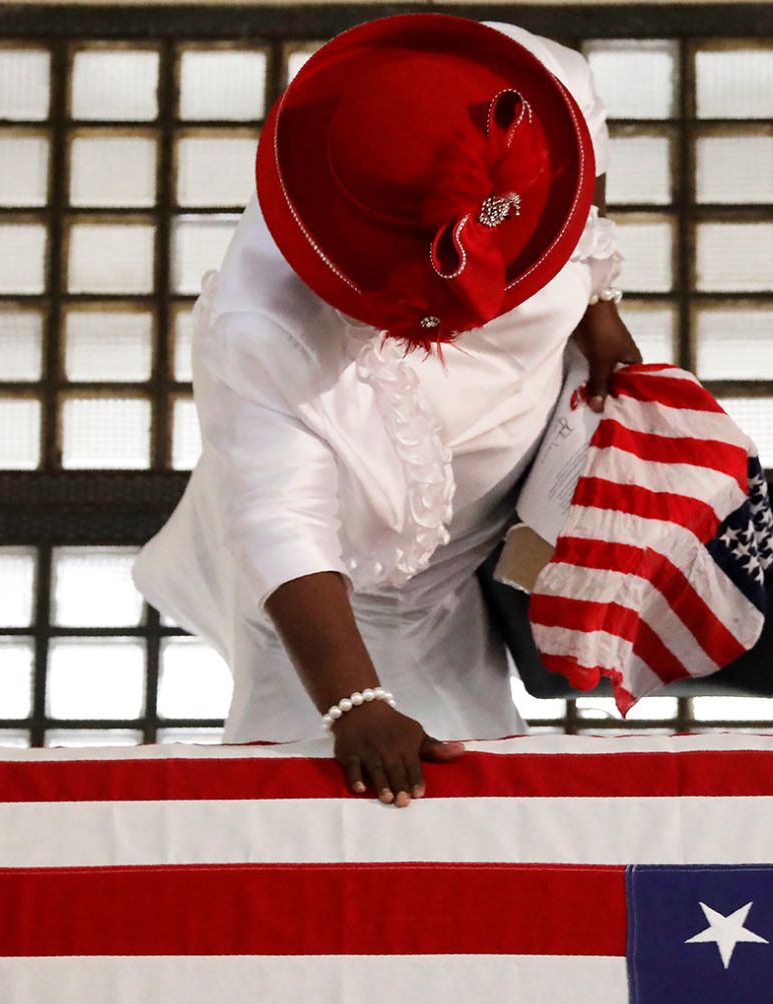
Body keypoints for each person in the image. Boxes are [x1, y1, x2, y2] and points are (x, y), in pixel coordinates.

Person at [133, 14, 641, 806]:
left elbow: (588, 175)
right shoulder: (263, 323)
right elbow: (281, 522)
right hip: (351, 580)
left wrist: (599, 306)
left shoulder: (529, 90)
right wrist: (354, 702)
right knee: (335, 795)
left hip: (492, 506)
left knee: (482, 771)